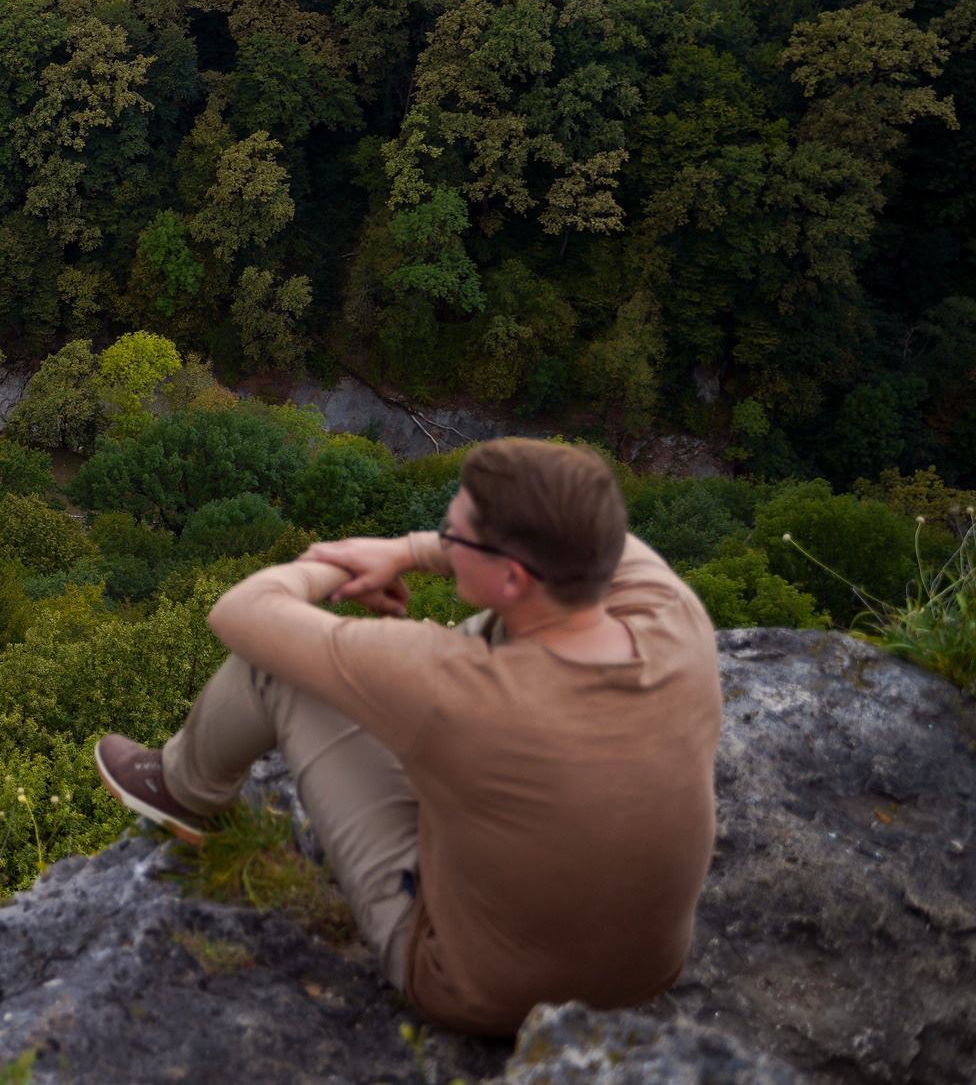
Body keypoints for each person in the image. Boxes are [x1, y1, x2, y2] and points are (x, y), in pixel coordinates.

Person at [93, 437, 721, 1037]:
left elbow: (240, 612)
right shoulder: (673, 617)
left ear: (511, 578)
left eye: (455, 535)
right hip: (646, 975)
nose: (442, 537)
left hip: (480, 993)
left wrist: (330, 566)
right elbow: (599, 536)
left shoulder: (452, 685)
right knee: (493, 638)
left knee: (275, 669)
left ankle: (183, 789)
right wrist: (410, 549)